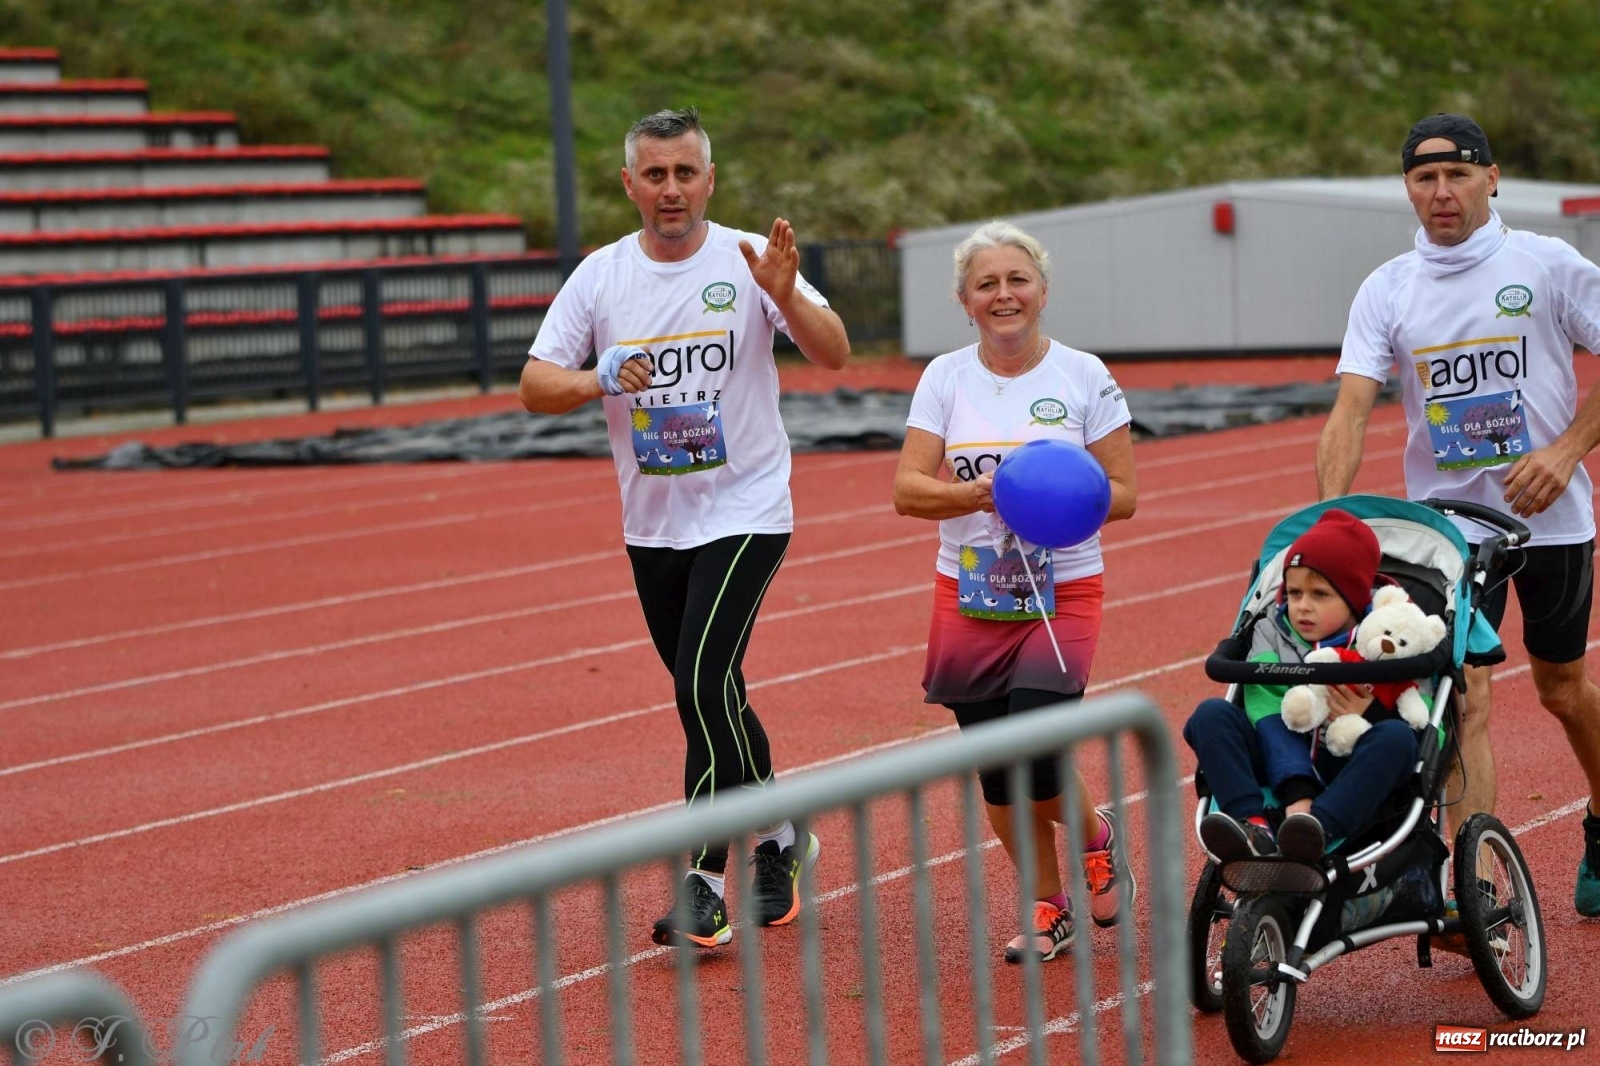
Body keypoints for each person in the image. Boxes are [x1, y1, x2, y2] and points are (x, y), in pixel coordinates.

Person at [519, 107, 851, 947]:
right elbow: (533, 384)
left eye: (686, 173)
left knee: (700, 686)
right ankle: (784, 834)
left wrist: (785, 297)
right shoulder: (600, 276)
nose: (672, 190)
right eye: (655, 175)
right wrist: (597, 376)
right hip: (654, 521)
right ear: (629, 184)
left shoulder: (749, 259)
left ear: (710, 179)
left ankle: (704, 881)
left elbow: (836, 351)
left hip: (747, 511)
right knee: (718, 694)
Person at [1316, 112, 1600, 915]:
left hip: (1551, 522)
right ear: (1407, 187)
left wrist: (1567, 451)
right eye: (1424, 178)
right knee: (1464, 692)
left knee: (1562, 687)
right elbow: (1350, 410)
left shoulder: (1545, 266)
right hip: (1449, 533)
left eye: (1458, 175)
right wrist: (1327, 515)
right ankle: (1476, 884)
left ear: (1492, 177)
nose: (1441, 193)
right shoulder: (1388, 288)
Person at [892, 219, 1138, 962]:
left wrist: (1049, 499)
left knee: (1034, 752)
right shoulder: (944, 377)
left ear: (1042, 290)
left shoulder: (1083, 375)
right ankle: (1046, 905)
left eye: (1017, 280)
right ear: (965, 301)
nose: (1004, 295)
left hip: (1060, 593)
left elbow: (1123, 494)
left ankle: (1095, 835)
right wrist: (981, 497)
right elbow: (907, 489)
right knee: (999, 773)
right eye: (987, 284)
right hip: (970, 595)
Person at [1185, 509, 1423, 864]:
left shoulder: (1390, 636)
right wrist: (1298, 790)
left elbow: (1425, 724)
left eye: (1320, 595)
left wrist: (1371, 713)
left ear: (1355, 597)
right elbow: (1265, 711)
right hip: (1277, 753)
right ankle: (1251, 824)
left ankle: (1315, 831)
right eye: (1293, 593)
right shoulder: (1269, 630)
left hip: (1348, 765)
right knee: (1210, 715)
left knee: (1397, 739)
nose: (1302, 607)